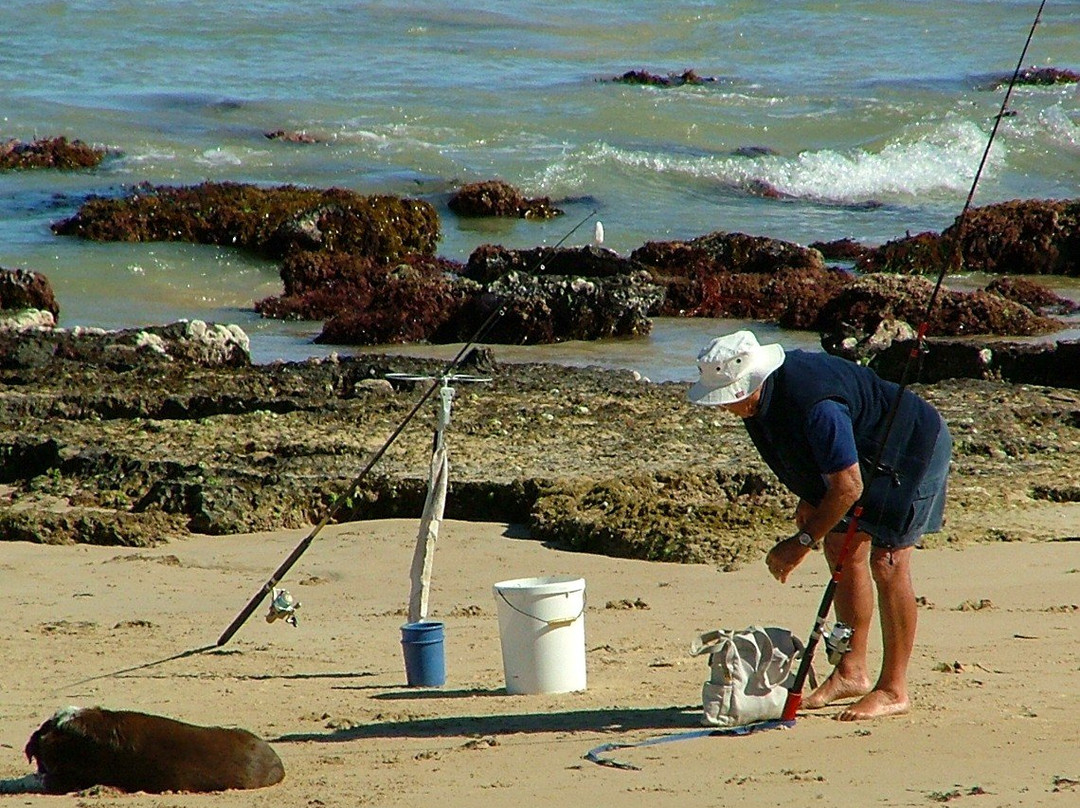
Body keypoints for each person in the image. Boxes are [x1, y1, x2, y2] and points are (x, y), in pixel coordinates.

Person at [687, 330, 952, 721]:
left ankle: (894, 689)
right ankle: (851, 671)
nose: (727, 406)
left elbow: (848, 486)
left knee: (888, 563)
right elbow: (805, 452)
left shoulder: (815, 405)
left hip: (911, 448)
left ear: (755, 379)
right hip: (863, 452)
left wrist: (801, 542)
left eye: (733, 395)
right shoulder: (756, 402)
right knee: (842, 549)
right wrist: (811, 495)